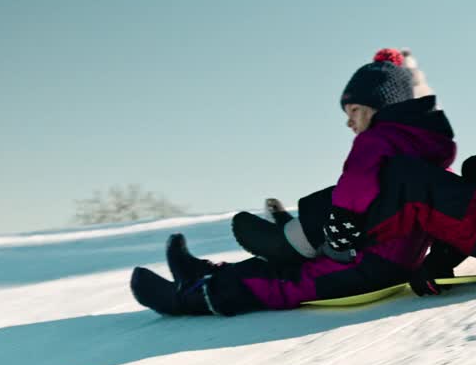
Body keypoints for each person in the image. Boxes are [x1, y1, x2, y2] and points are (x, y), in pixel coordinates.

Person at [248, 0, 476, 292]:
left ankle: (305, 239)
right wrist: (444, 258)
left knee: (409, 181)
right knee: (408, 176)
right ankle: (306, 233)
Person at [130, 48, 456, 316]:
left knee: (283, 282)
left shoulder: (375, 142)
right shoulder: (426, 151)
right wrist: (436, 260)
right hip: (386, 256)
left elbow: (355, 188)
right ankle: (202, 274)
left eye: (353, 111)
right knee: (285, 263)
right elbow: (443, 207)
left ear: (378, 107)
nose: (348, 121)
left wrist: (341, 225)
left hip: (367, 263)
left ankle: (191, 297)